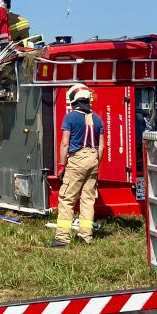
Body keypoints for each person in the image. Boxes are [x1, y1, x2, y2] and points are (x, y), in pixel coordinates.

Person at [49, 84, 105, 248]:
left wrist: (61, 165)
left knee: (67, 198)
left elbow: (65, 144)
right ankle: (85, 237)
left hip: (77, 159)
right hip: (93, 158)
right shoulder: (97, 119)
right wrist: (96, 164)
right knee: (88, 200)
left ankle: (62, 238)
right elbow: (101, 147)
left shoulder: (70, 117)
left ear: (74, 99)